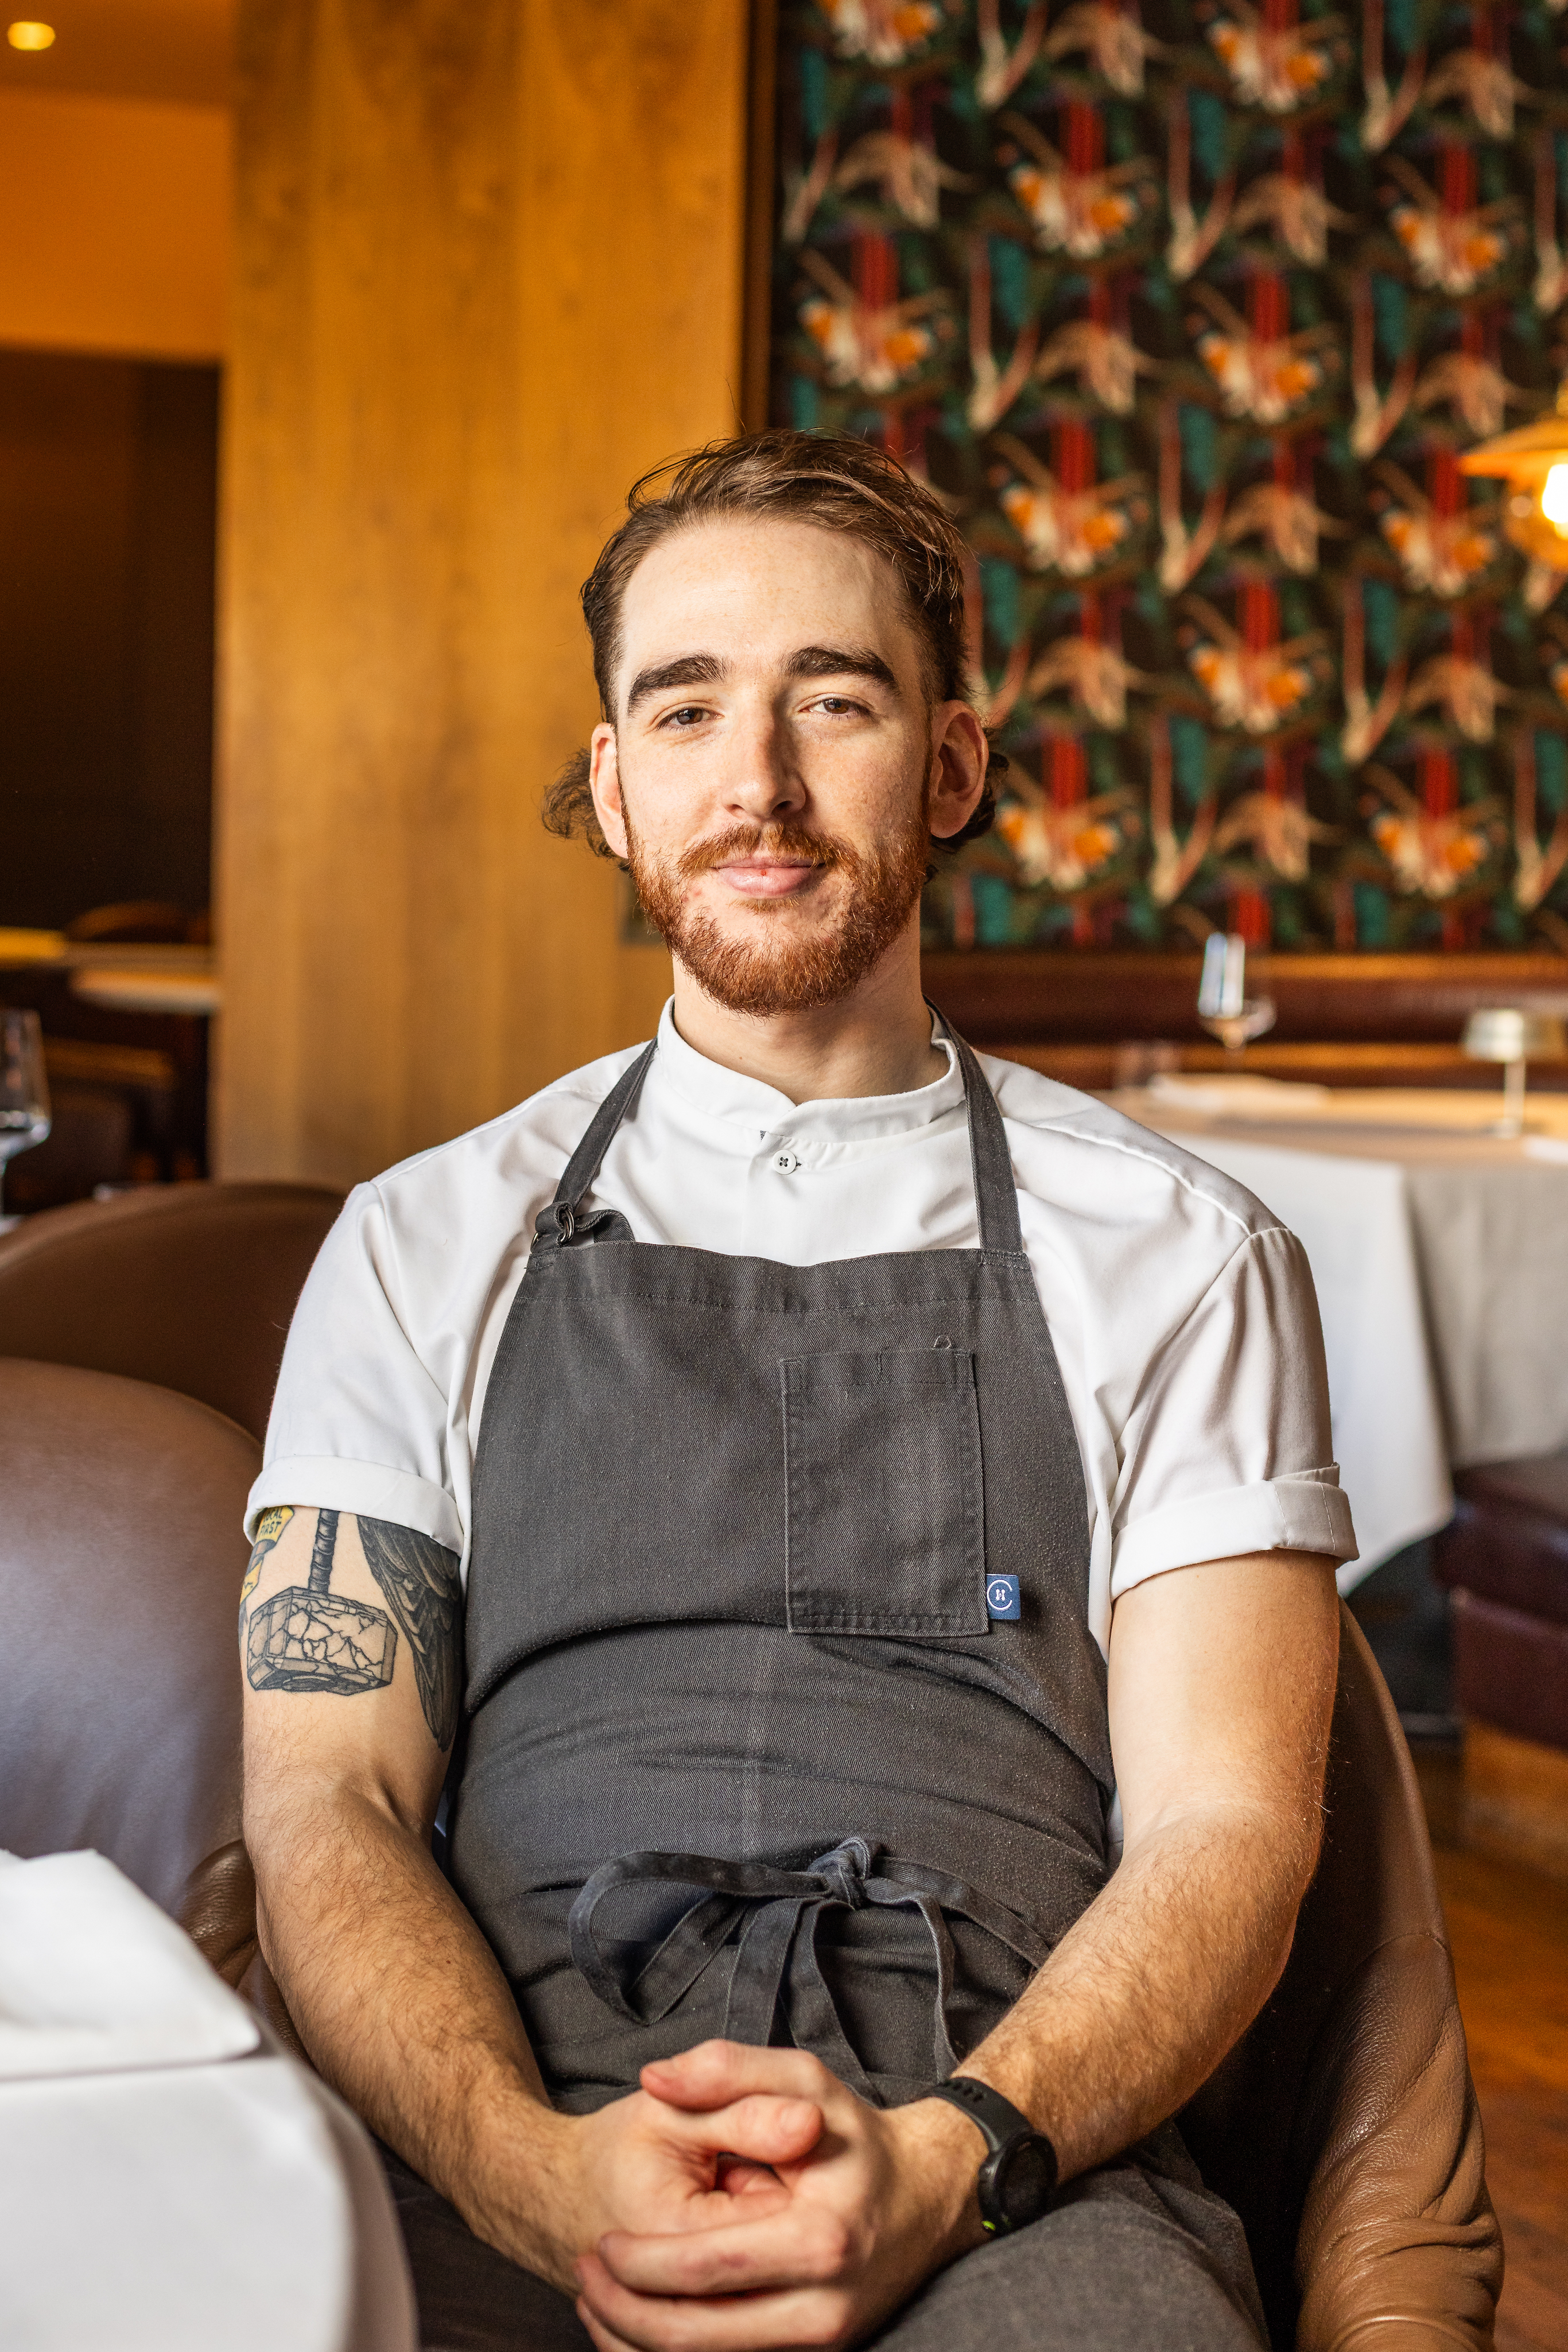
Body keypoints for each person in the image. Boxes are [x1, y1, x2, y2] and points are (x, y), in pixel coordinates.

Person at [240, 429, 1356, 2352]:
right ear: (609, 787)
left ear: (951, 759)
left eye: (828, 701)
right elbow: (327, 1796)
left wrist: (951, 2157)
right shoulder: (419, 1246)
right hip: (496, 2118)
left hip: (1013, 2145)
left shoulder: (1185, 1251)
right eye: (682, 711)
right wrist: (519, 2163)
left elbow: (1227, 1834)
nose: (752, 784)